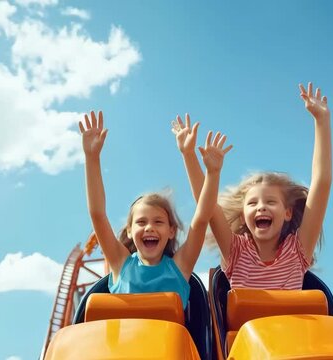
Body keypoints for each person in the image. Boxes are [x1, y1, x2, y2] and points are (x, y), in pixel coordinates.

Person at [172, 82, 331, 289]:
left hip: (289, 322)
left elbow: (322, 183)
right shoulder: (236, 251)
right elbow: (207, 207)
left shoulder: (298, 250)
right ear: (243, 215)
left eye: (270, 201)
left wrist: (322, 121)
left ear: (288, 213)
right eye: (253, 203)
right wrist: (189, 155)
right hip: (246, 323)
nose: (261, 207)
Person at [80, 110, 232, 307]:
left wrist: (211, 172)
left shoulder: (180, 266)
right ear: (129, 230)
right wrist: (92, 157)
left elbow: (203, 217)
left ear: (171, 231)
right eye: (141, 222)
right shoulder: (121, 264)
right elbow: (97, 214)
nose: (149, 227)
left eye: (158, 221)